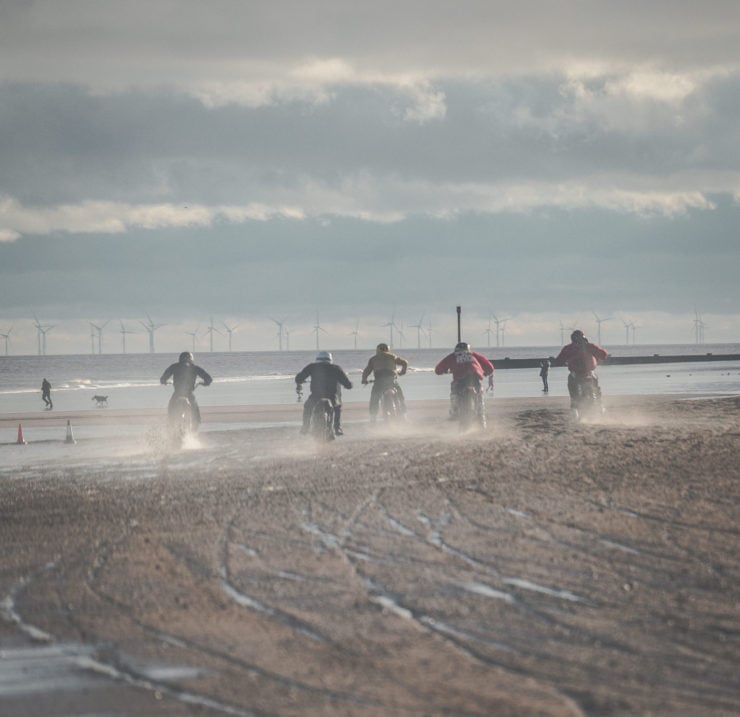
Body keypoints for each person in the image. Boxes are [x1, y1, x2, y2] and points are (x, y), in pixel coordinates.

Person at [295, 351, 353, 436]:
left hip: (315, 397)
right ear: (330, 359)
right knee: (337, 407)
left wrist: (301, 381)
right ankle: (337, 428)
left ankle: (305, 427)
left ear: (317, 359)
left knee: (307, 407)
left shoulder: (312, 367)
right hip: (332, 397)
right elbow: (348, 385)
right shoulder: (336, 368)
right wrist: (348, 385)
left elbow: (298, 379)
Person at [434, 342, 494, 421]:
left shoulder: (452, 356)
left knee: (454, 392)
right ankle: (481, 414)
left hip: (460, 380)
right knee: (479, 394)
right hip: (474, 379)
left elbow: (438, 369)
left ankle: (454, 411)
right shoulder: (473, 355)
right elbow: (490, 367)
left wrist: (443, 371)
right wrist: (487, 372)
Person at [551, 330, 608, 408]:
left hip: (576, 373)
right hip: (589, 372)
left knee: (573, 390)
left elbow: (559, 361)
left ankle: (574, 403)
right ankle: (599, 403)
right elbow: (604, 355)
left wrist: (553, 361)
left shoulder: (569, 348)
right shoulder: (590, 346)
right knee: (596, 386)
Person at [159, 351, 212, 429]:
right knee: (195, 413)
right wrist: (203, 383)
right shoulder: (194, 367)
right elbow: (209, 379)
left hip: (177, 393)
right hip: (189, 394)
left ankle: (170, 423)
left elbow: (162, 379)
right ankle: (195, 425)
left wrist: (165, 382)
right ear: (191, 359)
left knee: (171, 408)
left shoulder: (174, 366)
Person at [361, 343, 408, 421]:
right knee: (400, 396)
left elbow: (367, 371)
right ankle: (403, 415)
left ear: (377, 350)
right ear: (387, 349)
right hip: (392, 380)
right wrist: (402, 372)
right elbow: (405, 362)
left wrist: (364, 380)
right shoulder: (392, 356)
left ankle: (373, 417)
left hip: (379, 381)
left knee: (374, 398)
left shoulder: (373, 359)